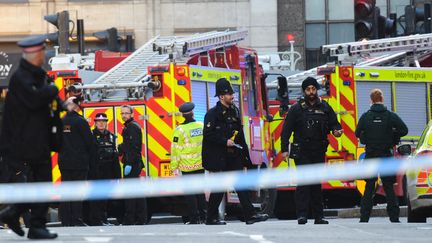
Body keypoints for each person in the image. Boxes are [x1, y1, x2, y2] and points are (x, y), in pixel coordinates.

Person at [0, 35, 58, 239]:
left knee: (42, 183)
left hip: (38, 140)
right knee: (40, 182)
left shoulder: (38, 75)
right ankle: (31, 222)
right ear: (34, 54)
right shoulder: (21, 78)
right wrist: (53, 89)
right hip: (25, 142)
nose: (44, 55)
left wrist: (63, 104)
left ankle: (19, 216)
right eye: (41, 52)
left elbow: (48, 102)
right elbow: (35, 100)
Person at [202, 77, 269, 225]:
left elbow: (240, 135)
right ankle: (211, 217)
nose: (232, 96)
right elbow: (208, 134)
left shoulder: (234, 111)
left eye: (232, 93)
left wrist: (246, 156)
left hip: (234, 157)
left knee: (240, 185)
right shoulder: (212, 114)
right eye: (229, 94)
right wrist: (224, 141)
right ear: (221, 96)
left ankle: (250, 215)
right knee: (219, 188)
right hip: (220, 157)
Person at [281, 77, 343, 225]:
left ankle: (319, 216)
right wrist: (284, 150)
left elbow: (335, 124)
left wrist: (337, 131)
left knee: (316, 184)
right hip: (302, 151)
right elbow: (286, 131)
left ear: (316, 90)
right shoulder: (296, 109)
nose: (311, 92)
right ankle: (302, 215)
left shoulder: (325, 107)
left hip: (318, 150)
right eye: (308, 89)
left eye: (313, 89)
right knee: (303, 183)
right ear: (304, 91)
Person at [355, 88, 408, 223]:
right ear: (382, 99)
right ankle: (394, 217)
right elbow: (404, 130)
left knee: (369, 187)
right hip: (386, 156)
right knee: (389, 187)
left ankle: (364, 217)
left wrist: (365, 138)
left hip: (371, 156)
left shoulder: (366, 116)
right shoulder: (391, 116)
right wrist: (393, 136)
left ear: (371, 100)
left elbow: (357, 133)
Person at [58, 96, 95, 227]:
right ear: (76, 106)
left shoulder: (61, 121)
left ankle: (66, 220)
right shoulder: (81, 121)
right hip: (79, 163)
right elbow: (90, 143)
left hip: (64, 163)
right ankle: (76, 220)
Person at [170, 102, 206, 224]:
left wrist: (174, 167)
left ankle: (194, 219)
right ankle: (204, 216)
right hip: (201, 165)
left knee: (190, 194)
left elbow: (175, 149)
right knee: (200, 192)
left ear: (182, 115)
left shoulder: (179, 130)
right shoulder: (201, 126)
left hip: (186, 167)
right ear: (193, 112)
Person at [89, 113, 121, 226]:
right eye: (99, 121)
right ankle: (96, 220)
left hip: (108, 171)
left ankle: (103, 219)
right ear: (95, 123)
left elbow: (115, 157)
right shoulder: (91, 136)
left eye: (104, 121)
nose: (101, 123)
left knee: (105, 198)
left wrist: (117, 176)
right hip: (96, 171)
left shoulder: (111, 136)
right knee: (96, 198)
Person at [118, 105, 147, 225]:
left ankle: (130, 220)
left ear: (132, 114)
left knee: (130, 192)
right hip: (132, 162)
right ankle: (141, 219)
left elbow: (134, 148)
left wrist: (129, 163)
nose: (124, 115)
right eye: (122, 113)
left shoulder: (132, 127)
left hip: (132, 163)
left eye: (126, 113)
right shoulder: (129, 126)